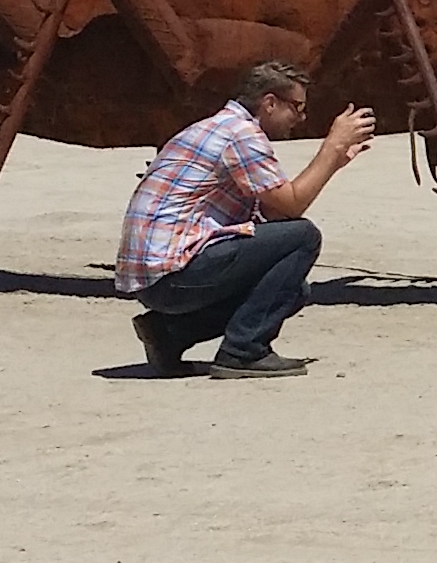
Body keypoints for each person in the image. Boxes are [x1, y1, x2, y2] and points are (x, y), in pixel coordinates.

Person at [117, 58, 377, 378]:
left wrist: (333, 161)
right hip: (172, 274)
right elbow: (292, 207)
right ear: (270, 103)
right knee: (304, 236)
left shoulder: (222, 127)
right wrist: (331, 147)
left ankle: (169, 333)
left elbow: (274, 213)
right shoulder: (241, 135)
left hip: (156, 276)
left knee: (291, 289)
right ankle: (243, 352)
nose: (302, 118)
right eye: (297, 107)